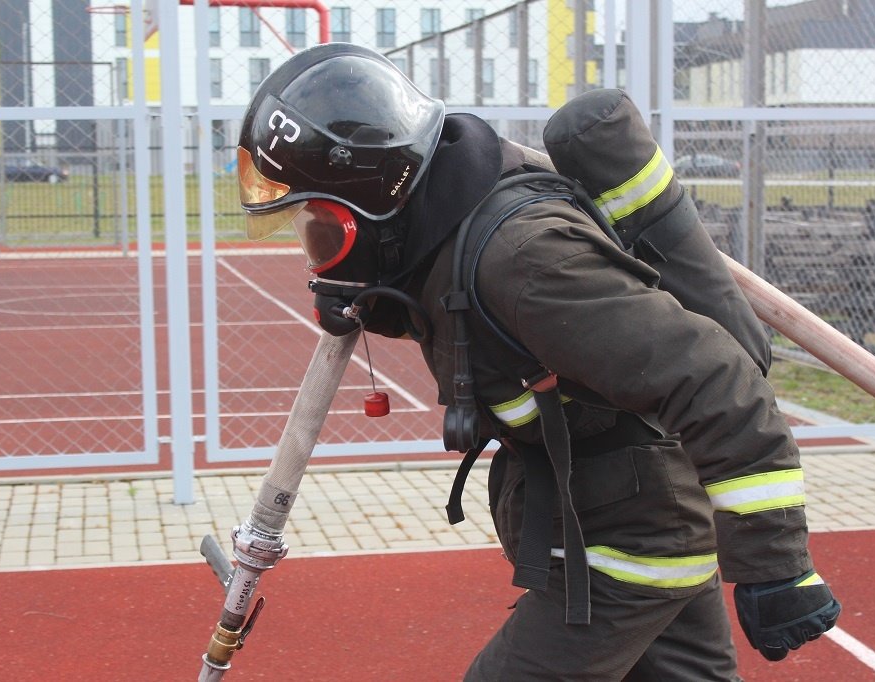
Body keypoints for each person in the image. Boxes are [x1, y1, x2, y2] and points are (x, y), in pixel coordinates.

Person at [236, 42, 841, 681]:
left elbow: (716, 380)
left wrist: (777, 568)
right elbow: (443, 293)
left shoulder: (529, 264)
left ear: (373, 199)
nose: (315, 247)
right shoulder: (449, 220)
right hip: (630, 511)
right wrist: (377, 300)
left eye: (321, 222)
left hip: (631, 544)